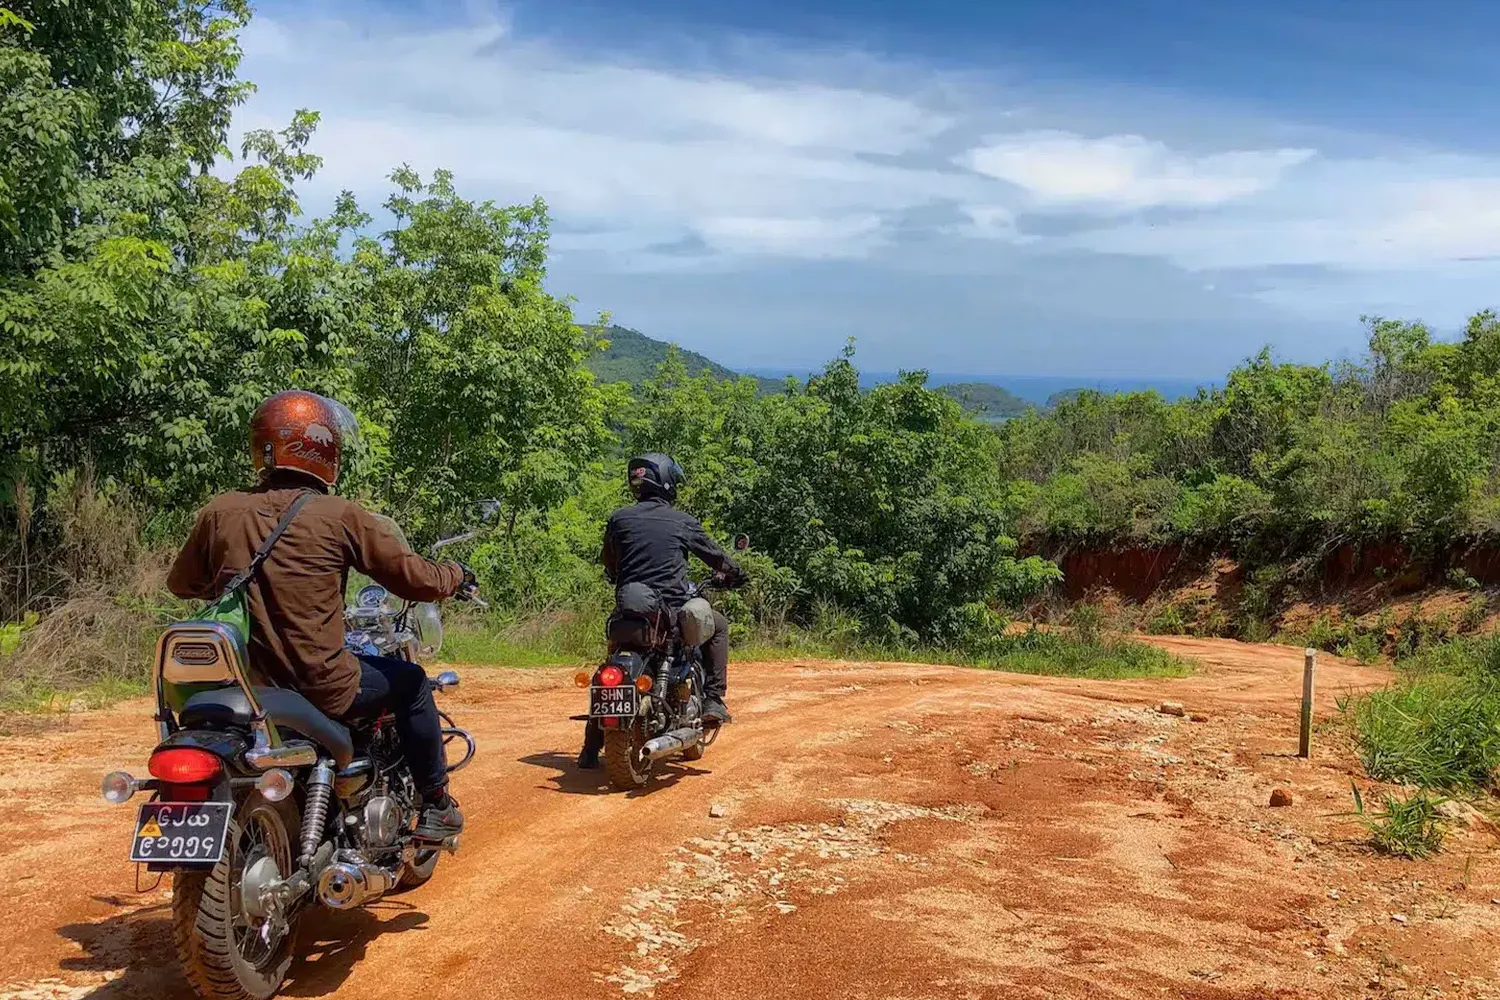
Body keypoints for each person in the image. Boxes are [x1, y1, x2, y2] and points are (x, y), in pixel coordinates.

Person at [167, 389, 473, 841]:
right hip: (323, 685)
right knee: (411, 685)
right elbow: (413, 579)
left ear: (263, 447)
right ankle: (436, 803)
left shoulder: (221, 510)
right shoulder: (339, 515)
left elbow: (181, 584)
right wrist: (454, 574)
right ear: (325, 448)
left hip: (249, 684)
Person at [578, 452, 743, 770]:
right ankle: (712, 699)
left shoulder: (619, 519)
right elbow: (716, 558)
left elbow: (609, 562)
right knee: (718, 625)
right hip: (668, 615)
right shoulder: (682, 521)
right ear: (667, 481)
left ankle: (589, 748)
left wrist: (617, 575)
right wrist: (735, 573)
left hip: (629, 614)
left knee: (611, 664)